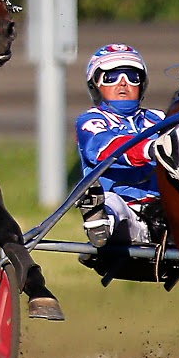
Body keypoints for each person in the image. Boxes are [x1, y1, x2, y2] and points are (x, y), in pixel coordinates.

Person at [74, 43, 165, 247]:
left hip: (166, 213)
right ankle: (98, 221)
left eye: (132, 77)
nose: (123, 83)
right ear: (95, 85)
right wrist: (151, 149)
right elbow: (104, 148)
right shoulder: (91, 120)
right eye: (111, 77)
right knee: (110, 202)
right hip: (125, 213)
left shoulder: (159, 118)